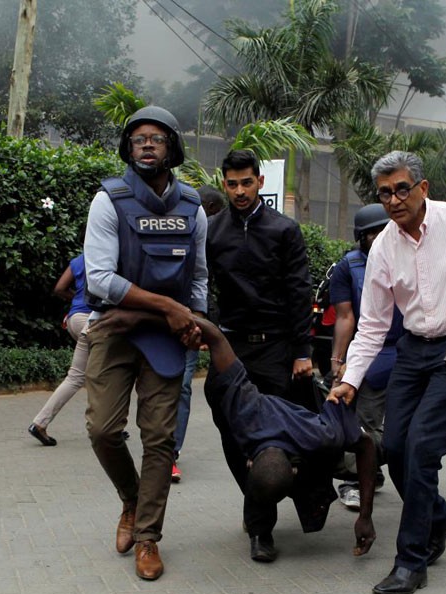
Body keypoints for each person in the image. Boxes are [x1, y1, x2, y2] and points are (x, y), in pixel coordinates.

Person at [327, 150, 446, 594]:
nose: (394, 200)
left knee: (421, 449)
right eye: (385, 192)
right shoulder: (382, 248)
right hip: (413, 351)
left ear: (422, 188)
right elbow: (373, 324)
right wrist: (349, 380)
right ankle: (438, 515)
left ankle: (411, 561)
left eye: (401, 189)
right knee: (394, 448)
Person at [90, 308, 378, 561]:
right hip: (299, 413)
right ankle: (260, 529)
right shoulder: (249, 410)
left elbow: (365, 446)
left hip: (317, 423)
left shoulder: (313, 432)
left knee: (387, 448)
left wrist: (366, 517)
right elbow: (214, 335)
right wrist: (142, 317)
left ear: (250, 462)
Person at [83, 105, 208, 581]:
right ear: (127, 148)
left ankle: (148, 537)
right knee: (101, 430)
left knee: (161, 439)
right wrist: (168, 306)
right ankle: (130, 499)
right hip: (114, 331)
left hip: (168, 337)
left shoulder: (192, 207)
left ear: (172, 147)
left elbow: (198, 277)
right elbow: (99, 278)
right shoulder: (108, 200)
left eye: (157, 138)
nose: (147, 144)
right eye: (138, 139)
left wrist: (192, 319)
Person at [204, 149, 314, 562]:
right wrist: (208, 330)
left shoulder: (284, 230)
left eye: (246, 182)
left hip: (276, 349)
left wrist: (302, 351)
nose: (239, 191)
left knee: (271, 438)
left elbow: (299, 292)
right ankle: (257, 500)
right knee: (231, 433)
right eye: (231, 184)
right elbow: (203, 284)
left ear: (259, 182)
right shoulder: (212, 231)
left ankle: (260, 527)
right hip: (229, 349)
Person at [328, 203, 402, 509]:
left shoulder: (408, 258)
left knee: (405, 427)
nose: (380, 237)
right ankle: (355, 480)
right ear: (362, 236)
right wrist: (338, 361)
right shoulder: (349, 267)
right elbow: (346, 318)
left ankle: (380, 472)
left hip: (408, 351)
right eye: (373, 232)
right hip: (370, 355)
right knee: (365, 424)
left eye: (385, 230)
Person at [171, 186, 226, 483]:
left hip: (190, 318)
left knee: (181, 386)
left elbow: (203, 279)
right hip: (158, 318)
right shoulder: (179, 224)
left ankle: (169, 454)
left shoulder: (211, 237)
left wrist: (201, 319)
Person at [28, 253, 91, 446]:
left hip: (75, 318)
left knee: (77, 377)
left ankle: (39, 423)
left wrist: (76, 299)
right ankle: (106, 428)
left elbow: (59, 288)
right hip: (93, 321)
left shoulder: (80, 259)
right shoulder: (110, 256)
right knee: (111, 375)